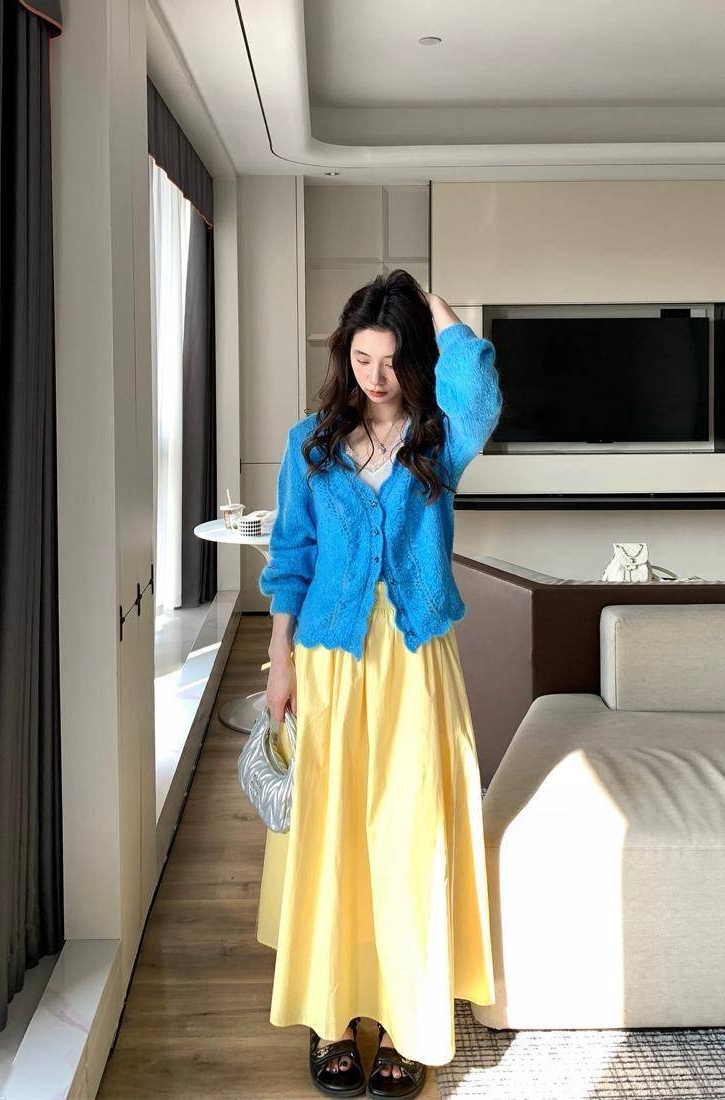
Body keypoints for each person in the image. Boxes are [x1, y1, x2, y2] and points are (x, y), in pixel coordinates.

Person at [256, 269, 502, 1098]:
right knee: (333, 836)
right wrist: (280, 659)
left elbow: (481, 397)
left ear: (415, 359)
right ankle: (332, 1017)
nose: (375, 375)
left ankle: (402, 1019)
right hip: (329, 659)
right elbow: (290, 557)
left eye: (392, 359)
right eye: (362, 358)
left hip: (414, 660)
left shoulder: (440, 440)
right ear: (344, 357)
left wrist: (436, 311)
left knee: (408, 836)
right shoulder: (309, 443)